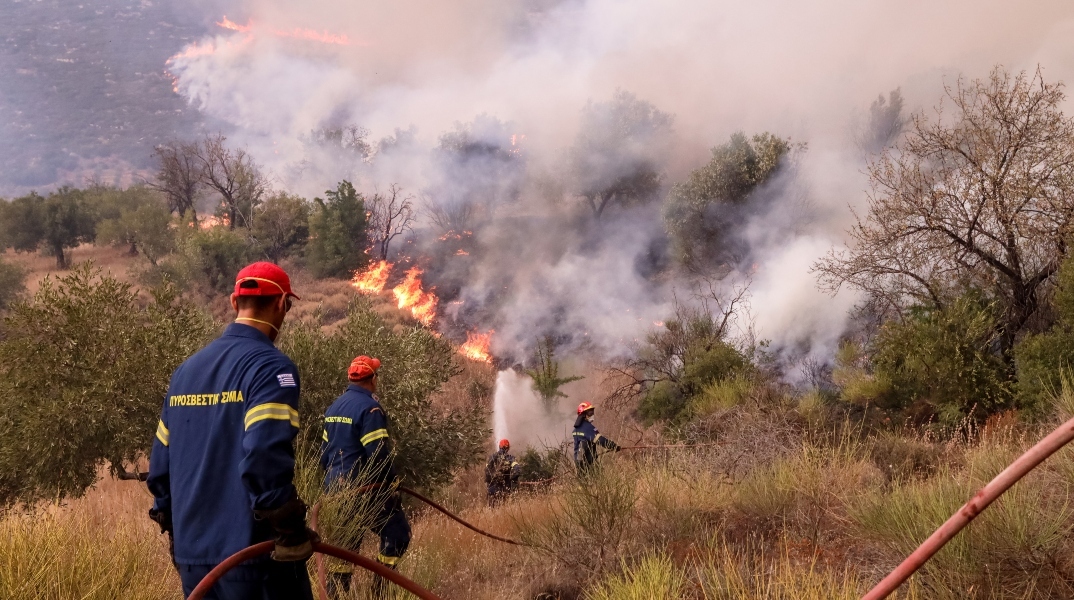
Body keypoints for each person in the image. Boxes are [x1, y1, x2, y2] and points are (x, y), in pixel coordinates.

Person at [146, 262, 316, 600]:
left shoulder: (185, 372)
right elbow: (263, 456)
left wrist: (175, 528)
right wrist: (288, 525)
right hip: (254, 557)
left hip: (195, 561)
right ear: (282, 303)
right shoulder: (271, 368)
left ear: (233, 302)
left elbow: (160, 465)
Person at [320, 355, 411, 597]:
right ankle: (381, 590)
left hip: (336, 491)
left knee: (343, 550)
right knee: (397, 534)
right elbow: (378, 454)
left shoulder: (334, 407)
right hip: (365, 489)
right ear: (372, 379)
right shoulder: (370, 409)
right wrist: (391, 484)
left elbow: (324, 455)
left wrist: (331, 486)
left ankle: (336, 595)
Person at [573, 402, 620, 472]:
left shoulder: (576, 430)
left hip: (578, 463)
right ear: (583, 414)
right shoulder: (588, 428)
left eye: (592, 412)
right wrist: (614, 446)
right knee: (599, 478)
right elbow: (600, 440)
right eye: (589, 413)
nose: (592, 414)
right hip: (589, 463)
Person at [484, 439, 521, 506]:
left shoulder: (491, 457)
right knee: (503, 510)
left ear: (499, 446)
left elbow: (486, 471)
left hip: (491, 491)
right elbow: (517, 470)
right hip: (504, 490)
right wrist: (513, 479)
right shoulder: (510, 458)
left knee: (492, 511)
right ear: (508, 448)